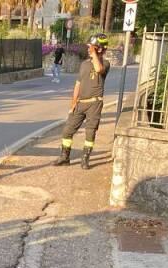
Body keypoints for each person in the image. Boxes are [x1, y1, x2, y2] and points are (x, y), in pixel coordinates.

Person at [54, 32, 110, 170]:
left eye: (92, 47)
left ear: (100, 49)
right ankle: (64, 157)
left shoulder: (105, 63)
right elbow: (78, 84)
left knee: (90, 132)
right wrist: (73, 103)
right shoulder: (84, 64)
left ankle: (85, 159)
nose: (88, 49)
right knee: (67, 130)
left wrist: (95, 54)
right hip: (80, 103)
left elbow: (98, 69)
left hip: (94, 103)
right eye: (89, 47)